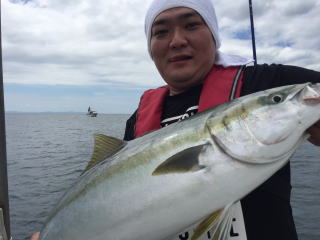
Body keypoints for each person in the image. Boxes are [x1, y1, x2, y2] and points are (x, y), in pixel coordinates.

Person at [30, 0, 320, 239]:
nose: (177, 41)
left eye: (192, 25)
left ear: (213, 35)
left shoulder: (263, 82)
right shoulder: (140, 116)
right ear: (151, 47)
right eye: (161, 32)